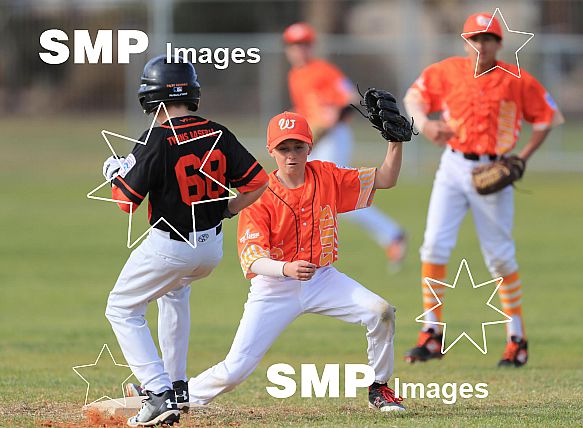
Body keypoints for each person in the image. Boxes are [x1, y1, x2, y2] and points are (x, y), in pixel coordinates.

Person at [187, 108, 407, 412]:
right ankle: (176, 396)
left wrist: (395, 143)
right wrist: (285, 268)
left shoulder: (327, 175)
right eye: (283, 148)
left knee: (380, 312)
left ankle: (379, 388)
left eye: (298, 147)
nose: (291, 155)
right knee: (236, 369)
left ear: (310, 147)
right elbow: (252, 259)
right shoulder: (259, 194)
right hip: (274, 287)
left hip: (323, 278)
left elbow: (385, 178)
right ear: (271, 150)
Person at [102, 55, 268, 426]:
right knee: (173, 294)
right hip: (210, 249)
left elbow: (125, 203)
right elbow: (258, 182)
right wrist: (227, 209)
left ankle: (158, 392)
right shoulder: (218, 132)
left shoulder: (156, 137)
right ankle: (177, 387)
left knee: (122, 308)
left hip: (170, 247)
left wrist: (115, 173)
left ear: (151, 96)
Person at [402, 12, 564, 367]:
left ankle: (517, 338)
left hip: (494, 170)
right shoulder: (446, 71)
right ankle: (431, 333)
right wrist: (425, 124)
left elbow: (548, 116)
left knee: (499, 256)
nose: (481, 45)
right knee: (434, 245)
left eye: (488, 38)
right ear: (465, 42)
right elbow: (413, 97)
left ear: (498, 43)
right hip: (453, 165)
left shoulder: (516, 79)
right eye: (474, 38)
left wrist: (522, 158)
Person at [283, 22, 407, 271]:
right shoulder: (295, 76)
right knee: (309, 190)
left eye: (304, 44)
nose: (300, 50)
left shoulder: (323, 71)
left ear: (312, 46)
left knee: (332, 192)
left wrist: (331, 118)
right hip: (314, 139)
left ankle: (392, 235)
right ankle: (391, 235)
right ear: (288, 49)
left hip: (334, 136)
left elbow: (351, 98)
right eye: (295, 45)